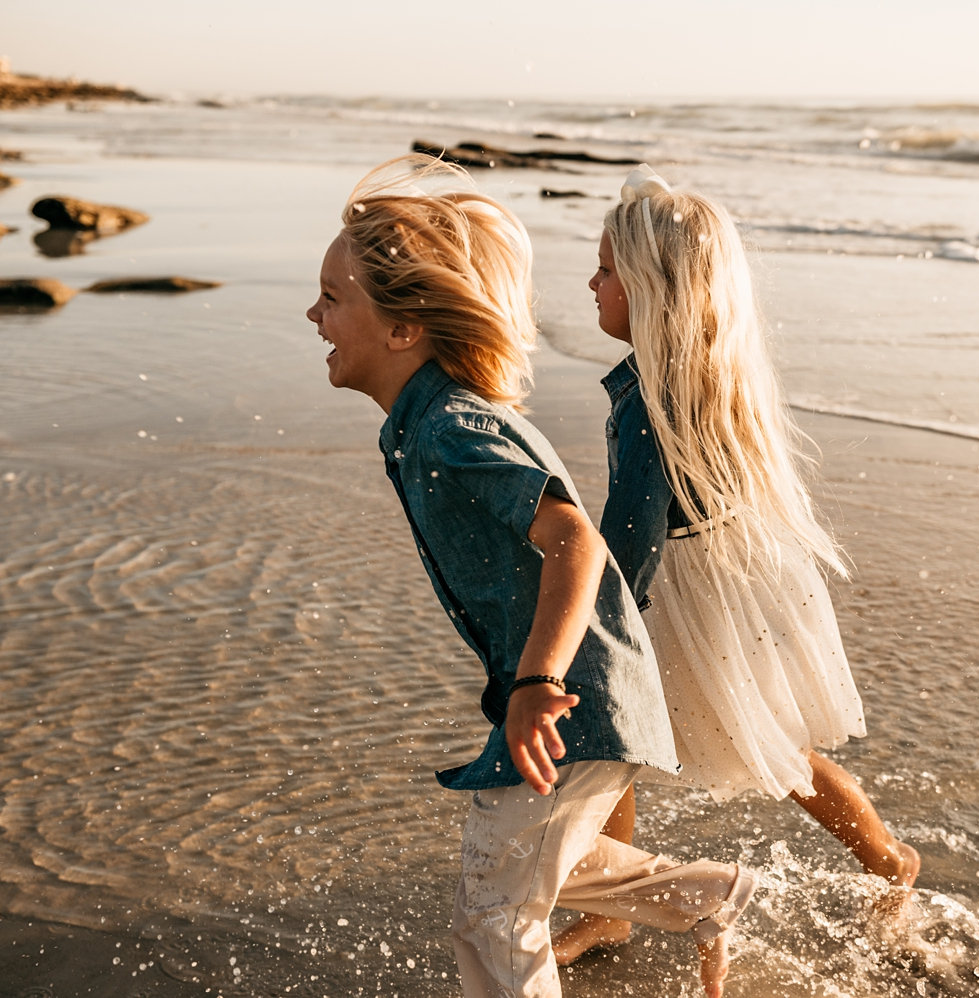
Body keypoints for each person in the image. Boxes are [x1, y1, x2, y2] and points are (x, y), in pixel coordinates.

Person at [305, 155, 755, 998]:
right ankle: (705, 897)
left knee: (493, 911)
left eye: (334, 299)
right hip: (574, 690)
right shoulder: (421, 421)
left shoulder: (452, 429)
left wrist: (536, 680)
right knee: (548, 859)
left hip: (571, 694)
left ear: (405, 328)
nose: (313, 314)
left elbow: (577, 543)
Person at [554, 165, 919, 966]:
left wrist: (588, 625)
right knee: (637, 747)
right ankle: (619, 907)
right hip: (715, 575)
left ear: (651, 291)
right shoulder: (695, 372)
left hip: (683, 593)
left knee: (742, 744)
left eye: (607, 271)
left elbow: (631, 538)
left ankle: (890, 861)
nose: (591, 281)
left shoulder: (653, 399)